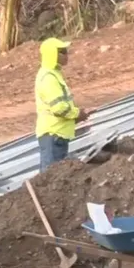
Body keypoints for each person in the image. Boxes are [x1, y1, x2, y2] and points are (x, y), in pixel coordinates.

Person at [35, 37, 88, 172]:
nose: (66, 55)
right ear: (53, 54)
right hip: (54, 134)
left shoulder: (53, 74)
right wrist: (78, 114)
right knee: (51, 175)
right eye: (62, 52)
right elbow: (59, 108)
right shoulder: (49, 78)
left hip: (57, 134)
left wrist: (78, 114)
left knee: (55, 175)